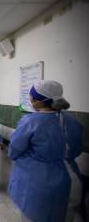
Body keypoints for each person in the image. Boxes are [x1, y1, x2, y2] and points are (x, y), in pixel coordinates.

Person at [8, 80, 83, 222]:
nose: (29, 99)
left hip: (39, 183)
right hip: (71, 180)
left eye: (30, 97)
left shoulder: (30, 122)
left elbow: (15, 150)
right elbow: (77, 149)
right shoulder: (73, 122)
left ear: (37, 101)